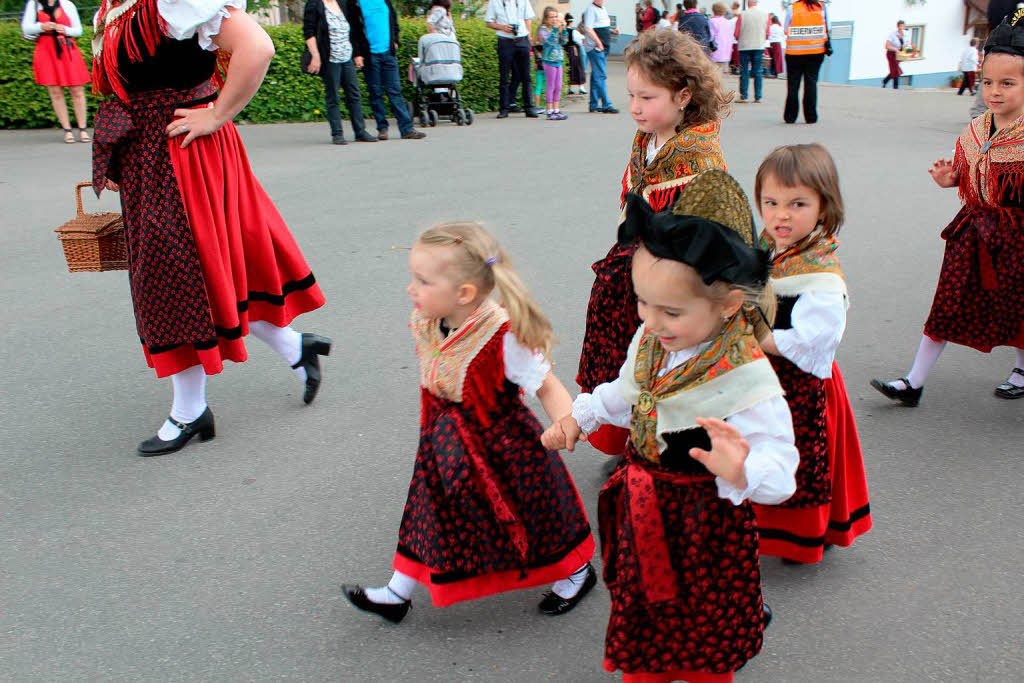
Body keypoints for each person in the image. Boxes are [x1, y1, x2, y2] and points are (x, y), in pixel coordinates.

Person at [544, 170, 797, 683]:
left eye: (670, 311)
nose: (652, 320)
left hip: (705, 527)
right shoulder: (654, 340)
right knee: (646, 625)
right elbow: (626, 392)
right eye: (642, 302)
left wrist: (743, 467)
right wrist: (581, 417)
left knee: (702, 631)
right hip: (645, 511)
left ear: (728, 305)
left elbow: (783, 468)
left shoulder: (746, 376)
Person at [90, 0, 329, 455]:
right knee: (202, 274)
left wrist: (218, 113)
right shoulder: (118, 6)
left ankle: (189, 409)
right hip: (153, 153)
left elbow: (256, 46)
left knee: (173, 277)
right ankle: (297, 348)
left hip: (182, 153)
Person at [343, 223, 597, 623]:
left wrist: (567, 422)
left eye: (423, 281)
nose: (412, 289)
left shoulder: (502, 337)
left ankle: (578, 573)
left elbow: (546, 385)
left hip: (507, 449)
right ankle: (397, 592)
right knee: (426, 509)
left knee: (537, 513)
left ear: (463, 294)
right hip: (446, 444)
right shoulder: (431, 320)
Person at [577, 28, 730, 456]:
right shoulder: (646, 140)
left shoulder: (699, 158)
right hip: (635, 276)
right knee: (624, 358)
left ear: (683, 96)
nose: (635, 108)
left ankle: (661, 444)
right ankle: (628, 433)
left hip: (671, 284)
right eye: (631, 96)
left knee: (658, 365)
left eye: (647, 98)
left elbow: (706, 237)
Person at [872, 18, 1024, 405]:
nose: (994, 91)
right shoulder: (975, 130)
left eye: (1007, 83)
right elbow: (973, 177)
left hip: (1017, 241)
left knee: (1019, 308)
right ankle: (913, 381)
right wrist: (951, 179)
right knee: (947, 304)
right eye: (988, 82)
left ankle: (1022, 369)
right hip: (971, 234)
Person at [751, 144, 872, 564]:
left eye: (797, 203)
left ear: (824, 207)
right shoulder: (770, 246)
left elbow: (817, 338)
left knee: (798, 452)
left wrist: (761, 339)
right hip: (762, 375)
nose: (781, 215)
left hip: (799, 380)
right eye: (771, 202)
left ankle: (800, 535)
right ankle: (759, 521)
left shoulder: (819, 273)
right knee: (760, 442)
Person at [345, 0, 426, 139]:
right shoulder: (355, 4)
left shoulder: (385, 1)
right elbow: (353, 31)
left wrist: (395, 41)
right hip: (369, 55)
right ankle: (382, 128)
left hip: (388, 54)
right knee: (375, 93)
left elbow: (394, 22)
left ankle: (406, 129)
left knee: (395, 91)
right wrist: (357, 53)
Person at [303, 0, 376, 145]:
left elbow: (353, 31)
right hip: (329, 58)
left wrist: (357, 54)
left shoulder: (343, 3)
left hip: (346, 56)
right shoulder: (314, 4)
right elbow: (309, 32)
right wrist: (316, 56)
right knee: (333, 96)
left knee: (354, 94)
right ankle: (337, 133)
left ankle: (360, 131)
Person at [21, 0, 90, 143]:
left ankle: (83, 129)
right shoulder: (34, 4)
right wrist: (42, 26)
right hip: (46, 50)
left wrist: (66, 29)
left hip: (67, 48)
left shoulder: (67, 4)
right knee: (55, 91)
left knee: (77, 90)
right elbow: (26, 28)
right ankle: (67, 130)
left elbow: (78, 30)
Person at [485, 0, 538, 118]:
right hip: (505, 41)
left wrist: (528, 35)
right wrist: (503, 27)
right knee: (504, 76)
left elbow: (528, 18)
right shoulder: (495, 2)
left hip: (522, 39)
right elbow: (488, 22)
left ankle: (529, 107)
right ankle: (504, 108)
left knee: (526, 76)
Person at [783, 0, 829, 124]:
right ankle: (811, 116)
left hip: (794, 53)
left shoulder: (792, 8)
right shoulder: (822, 8)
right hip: (815, 51)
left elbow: (786, 29)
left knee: (793, 85)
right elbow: (827, 29)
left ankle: (790, 116)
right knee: (811, 83)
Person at [581, 0, 620, 113]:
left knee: (596, 75)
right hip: (595, 47)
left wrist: (612, 31)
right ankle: (606, 104)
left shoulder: (602, 8)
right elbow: (588, 28)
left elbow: (601, 25)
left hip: (602, 46)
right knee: (600, 75)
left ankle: (594, 104)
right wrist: (598, 43)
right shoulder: (591, 10)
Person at [735, 0, 769, 103]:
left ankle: (744, 96)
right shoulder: (765, 15)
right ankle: (758, 97)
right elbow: (768, 33)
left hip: (744, 46)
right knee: (758, 71)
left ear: (748, 3)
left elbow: (736, 33)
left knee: (744, 71)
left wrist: (740, 39)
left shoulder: (742, 15)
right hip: (759, 45)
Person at [538, 7, 569, 120]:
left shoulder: (557, 29)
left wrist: (564, 29)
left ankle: (557, 109)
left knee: (558, 86)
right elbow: (549, 42)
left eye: (556, 16)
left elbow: (563, 41)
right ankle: (549, 110)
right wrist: (556, 29)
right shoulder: (543, 29)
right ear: (546, 18)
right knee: (550, 86)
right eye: (551, 17)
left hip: (558, 60)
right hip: (549, 61)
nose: (554, 19)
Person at [709, 3, 734, 74]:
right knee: (721, 73)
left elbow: (711, 36)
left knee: (714, 73)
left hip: (715, 51)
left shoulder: (712, 21)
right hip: (726, 52)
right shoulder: (727, 22)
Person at [564, 13, 586, 95]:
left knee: (569, 68)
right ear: (571, 22)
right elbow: (580, 41)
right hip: (574, 51)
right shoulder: (574, 31)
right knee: (578, 68)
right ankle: (581, 87)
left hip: (565, 51)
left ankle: (570, 88)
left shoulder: (563, 31)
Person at [882, 20, 906, 89]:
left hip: (899, 55)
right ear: (897, 26)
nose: (902, 28)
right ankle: (895, 88)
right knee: (896, 70)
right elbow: (887, 46)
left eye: (903, 26)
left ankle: (885, 81)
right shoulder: (892, 35)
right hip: (891, 54)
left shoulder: (905, 34)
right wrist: (895, 49)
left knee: (894, 70)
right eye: (900, 26)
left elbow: (904, 45)